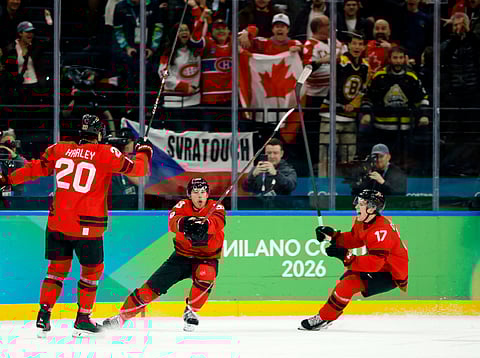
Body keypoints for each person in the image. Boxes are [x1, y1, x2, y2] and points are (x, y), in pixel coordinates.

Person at [0, 114, 153, 338]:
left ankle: (44, 315)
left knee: (55, 271)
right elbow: (138, 170)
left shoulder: (59, 149)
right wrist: (144, 151)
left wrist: (8, 179)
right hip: (88, 226)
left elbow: (35, 169)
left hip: (58, 222)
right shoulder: (105, 153)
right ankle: (83, 318)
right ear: (99, 134)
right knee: (91, 273)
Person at [102, 177, 226, 332]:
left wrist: (205, 225)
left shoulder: (216, 207)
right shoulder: (182, 206)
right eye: (195, 192)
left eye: (203, 192)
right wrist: (186, 223)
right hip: (181, 258)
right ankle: (121, 318)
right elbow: (173, 222)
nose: (200, 196)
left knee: (206, 274)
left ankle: (191, 311)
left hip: (207, 259)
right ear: (189, 194)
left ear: (208, 194)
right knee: (150, 290)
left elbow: (218, 222)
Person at [299, 189, 408, 331]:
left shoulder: (381, 230)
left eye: (361, 203)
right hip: (381, 266)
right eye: (358, 201)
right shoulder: (363, 221)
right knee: (345, 281)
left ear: (372, 208)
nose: (356, 206)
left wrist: (346, 256)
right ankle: (326, 317)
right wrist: (332, 236)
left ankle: (324, 317)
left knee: (348, 283)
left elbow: (375, 263)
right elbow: (354, 239)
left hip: (390, 274)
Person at [360, 46, 430, 169]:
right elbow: (368, 97)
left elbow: (422, 98)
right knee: (382, 161)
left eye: (401, 58)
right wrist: (366, 113)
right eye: (395, 58)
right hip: (382, 126)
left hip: (405, 126)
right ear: (389, 59)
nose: (398, 61)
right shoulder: (379, 76)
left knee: (403, 160)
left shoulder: (411, 76)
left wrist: (424, 115)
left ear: (405, 59)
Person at [318, 31, 369, 177]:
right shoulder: (341, 60)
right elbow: (335, 83)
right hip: (330, 115)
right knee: (325, 156)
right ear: (348, 45)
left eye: (360, 44)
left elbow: (363, 89)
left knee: (349, 158)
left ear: (364, 47)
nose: (357, 47)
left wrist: (354, 103)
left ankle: (346, 191)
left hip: (350, 118)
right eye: (354, 43)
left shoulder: (365, 66)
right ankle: (322, 189)